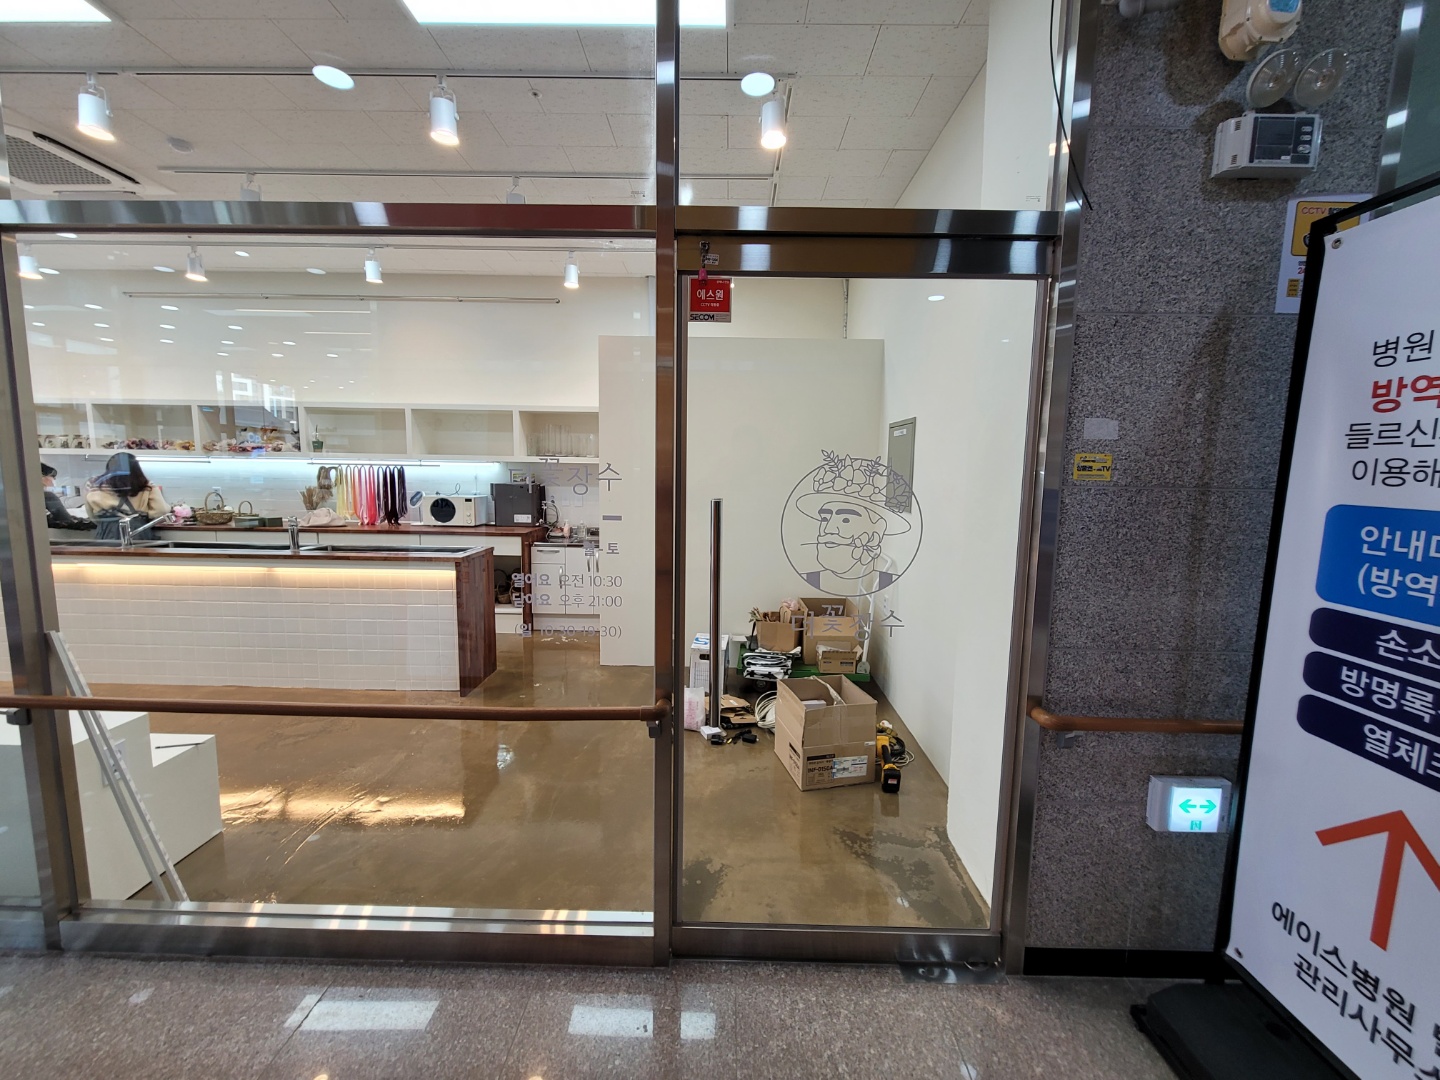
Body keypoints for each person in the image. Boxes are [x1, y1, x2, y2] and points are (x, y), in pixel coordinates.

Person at [85, 452, 170, 541]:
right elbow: (161, 510)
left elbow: (91, 513)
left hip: (105, 531)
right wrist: (146, 516)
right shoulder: (145, 485)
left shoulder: (94, 483)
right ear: (137, 469)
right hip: (137, 531)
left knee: (105, 551)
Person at [41, 462, 95, 531]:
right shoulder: (48, 496)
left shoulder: (34, 497)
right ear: (42, 477)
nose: (54, 479)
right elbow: (66, 520)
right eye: (52, 476)